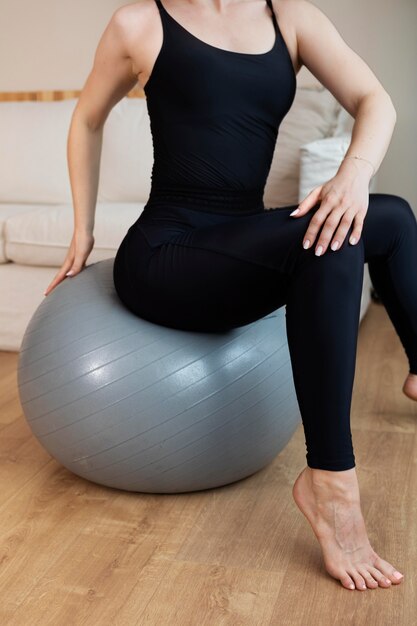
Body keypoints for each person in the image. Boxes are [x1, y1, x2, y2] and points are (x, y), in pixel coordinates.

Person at [44, 0, 416, 591]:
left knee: (389, 217)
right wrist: (83, 229)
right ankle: (332, 485)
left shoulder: (290, 19)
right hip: (166, 256)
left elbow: (377, 102)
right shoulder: (139, 22)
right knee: (329, 238)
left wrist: (353, 175)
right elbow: (87, 118)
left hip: (239, 244)